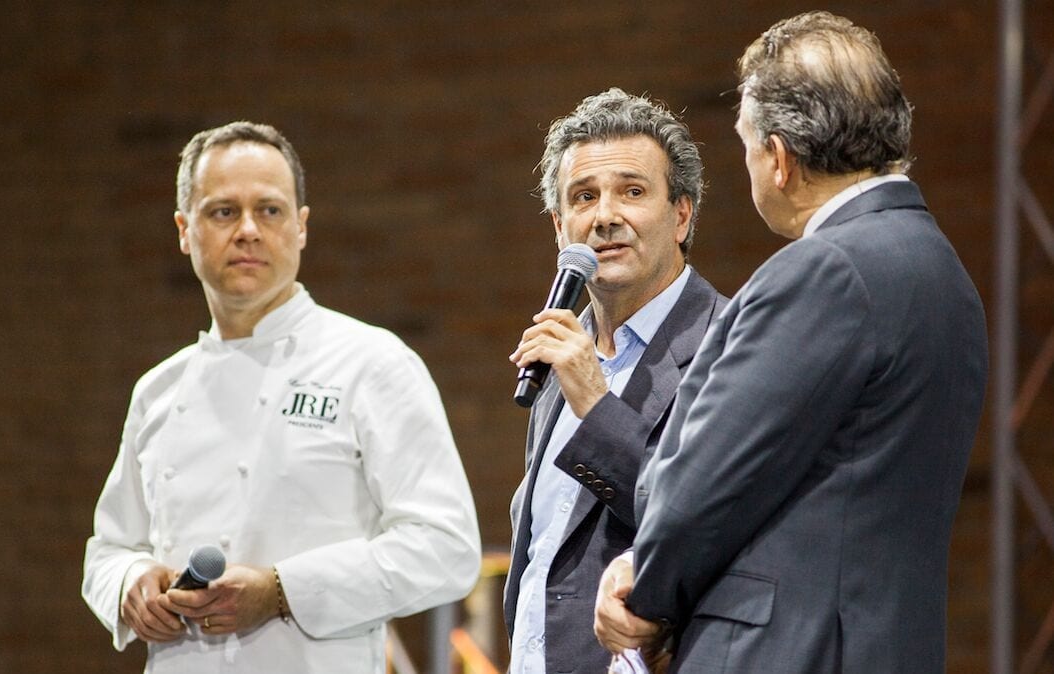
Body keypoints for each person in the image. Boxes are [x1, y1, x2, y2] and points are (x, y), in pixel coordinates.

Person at [593, 11, 988, 674]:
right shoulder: (947, 276)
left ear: (778, 158)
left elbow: (706, 480)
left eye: (747, 147)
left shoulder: (824, 270)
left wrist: (645, 589)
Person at [82, 121, 482, 673]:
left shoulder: (371, 363)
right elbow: (109, 549)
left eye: (269, 210)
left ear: (301, 227)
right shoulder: (158, 390)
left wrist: (282, 590)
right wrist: (129, 582)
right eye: (223, 212)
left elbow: (446, 549)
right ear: (184, 230)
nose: (247, 230)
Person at [504, 88, 727, 674]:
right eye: (584, 197)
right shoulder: (561, 353)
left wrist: (595, 401)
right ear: (561, 228)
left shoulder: (730, 344)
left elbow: (706, 522)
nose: (605, 216)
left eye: (632, 191)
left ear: (682, 215)